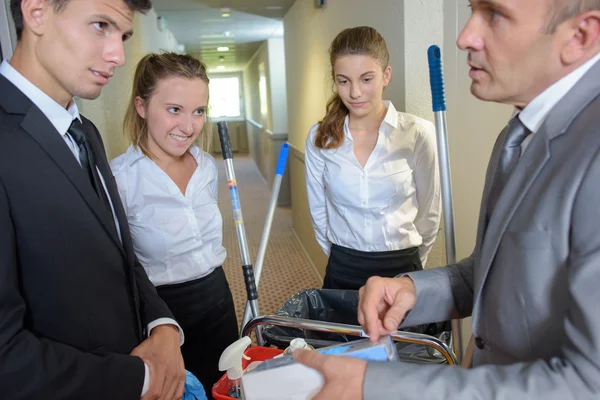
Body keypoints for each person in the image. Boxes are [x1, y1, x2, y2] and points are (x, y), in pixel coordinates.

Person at [295, 0, 600, 398]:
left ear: (580, 36)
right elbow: (493, 272)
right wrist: (415, 289)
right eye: (472, 10)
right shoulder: (517, 136)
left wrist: (380, 385)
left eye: (494, 14)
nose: (464, 36)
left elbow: (586, 383)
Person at [0, 1, 186, 399]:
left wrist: (162, 325)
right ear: (36, 12)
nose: (117, 55)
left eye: (122, 36)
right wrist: (141, 379)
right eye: (100, 26)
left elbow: (120, 252)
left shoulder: (84, 130)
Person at [110, 52, 238, 398]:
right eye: (174, 110)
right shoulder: (120, 179)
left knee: (226, 388)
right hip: (163, 315)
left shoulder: (206, 166)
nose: (189, 126)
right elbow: (119, 267)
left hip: (218, 299)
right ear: (141, 106)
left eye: (199, 111)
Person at [305, 26, 441, 291]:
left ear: (386, 75)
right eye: (343, 81)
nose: (355, 92)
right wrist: (344, 256)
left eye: (366, 79)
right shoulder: (320, 137)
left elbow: (429, 215)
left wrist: (411, 266)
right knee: (345, 335)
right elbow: (319, 213)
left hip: (402, 271)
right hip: (344, 268)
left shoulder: (417, 134)